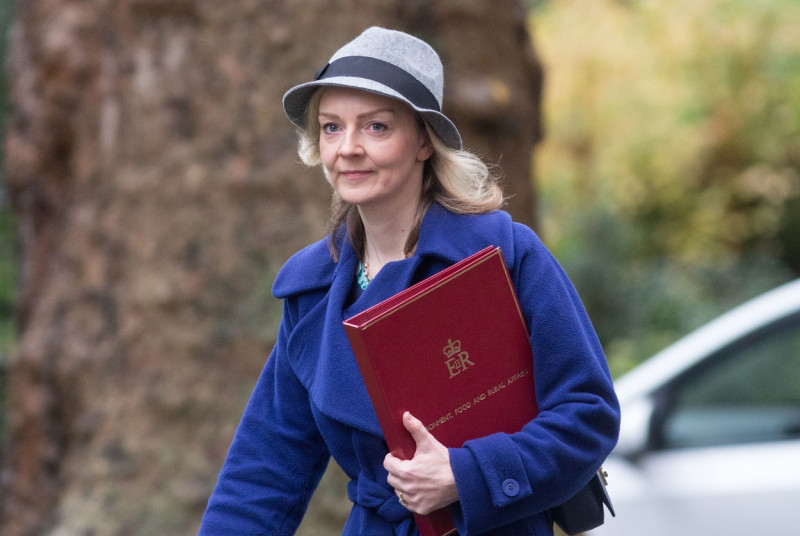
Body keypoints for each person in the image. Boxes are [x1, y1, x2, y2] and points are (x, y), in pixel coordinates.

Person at [198, 27, 620, 536]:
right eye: (331, 128)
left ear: (423, 140)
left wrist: (467, 475)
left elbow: (588, 414)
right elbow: (262, 473)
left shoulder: (504, 254)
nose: (348, 148)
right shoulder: (313, 291)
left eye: (375, 127)